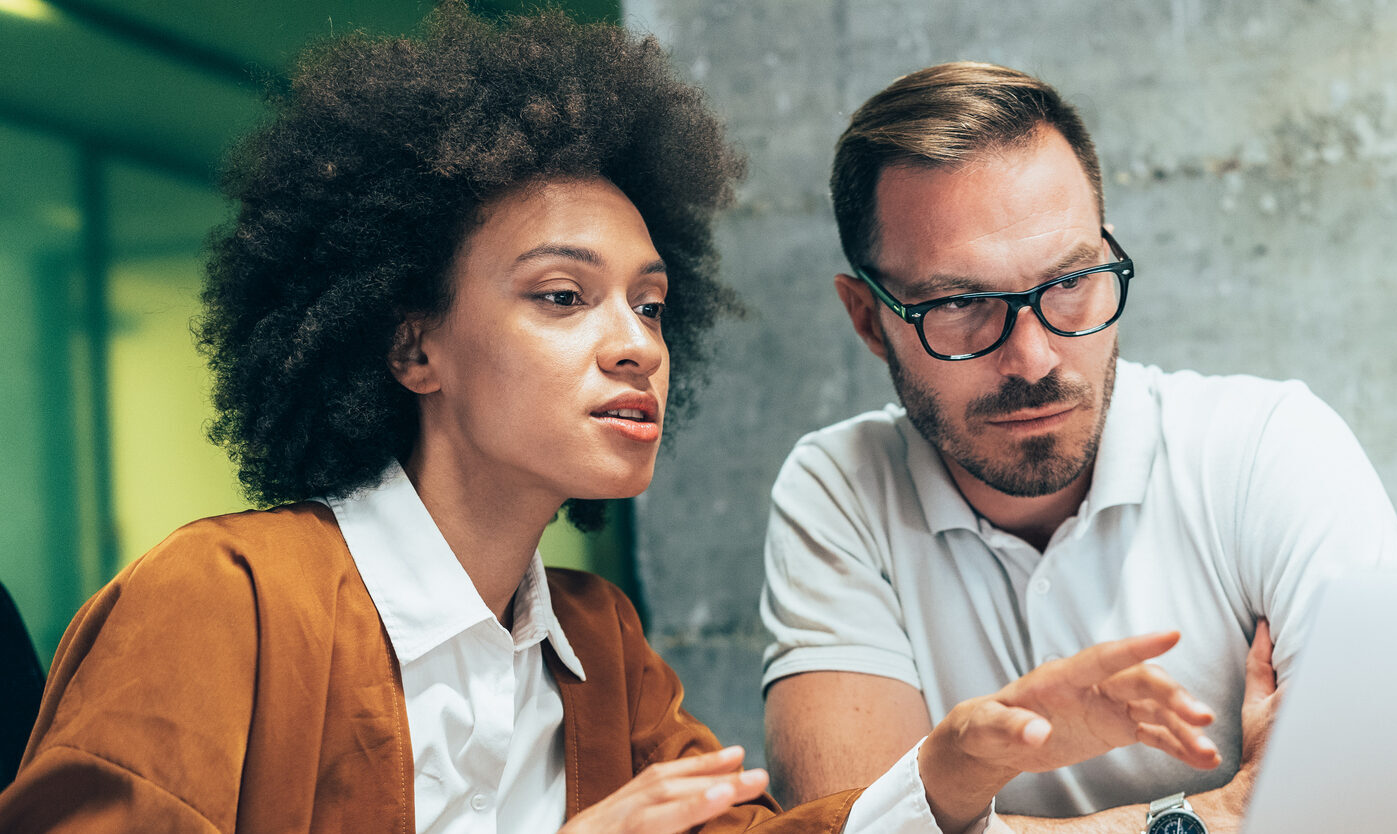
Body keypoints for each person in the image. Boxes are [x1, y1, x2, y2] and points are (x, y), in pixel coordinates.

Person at [0, 13, 1223, 834]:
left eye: (648, 300)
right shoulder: (220, 603)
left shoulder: (596, 646)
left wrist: (957, 766)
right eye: (561, 297)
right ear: (409, 340)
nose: (637, 341)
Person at [760, 62, 1397, 832]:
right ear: (869, 320)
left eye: (1070, 282)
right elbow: (848, 831)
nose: (1033, 359)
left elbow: (1380, 808)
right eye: (962, 304)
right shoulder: (840, 490)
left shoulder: (1268, 449)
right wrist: (1207, 818)